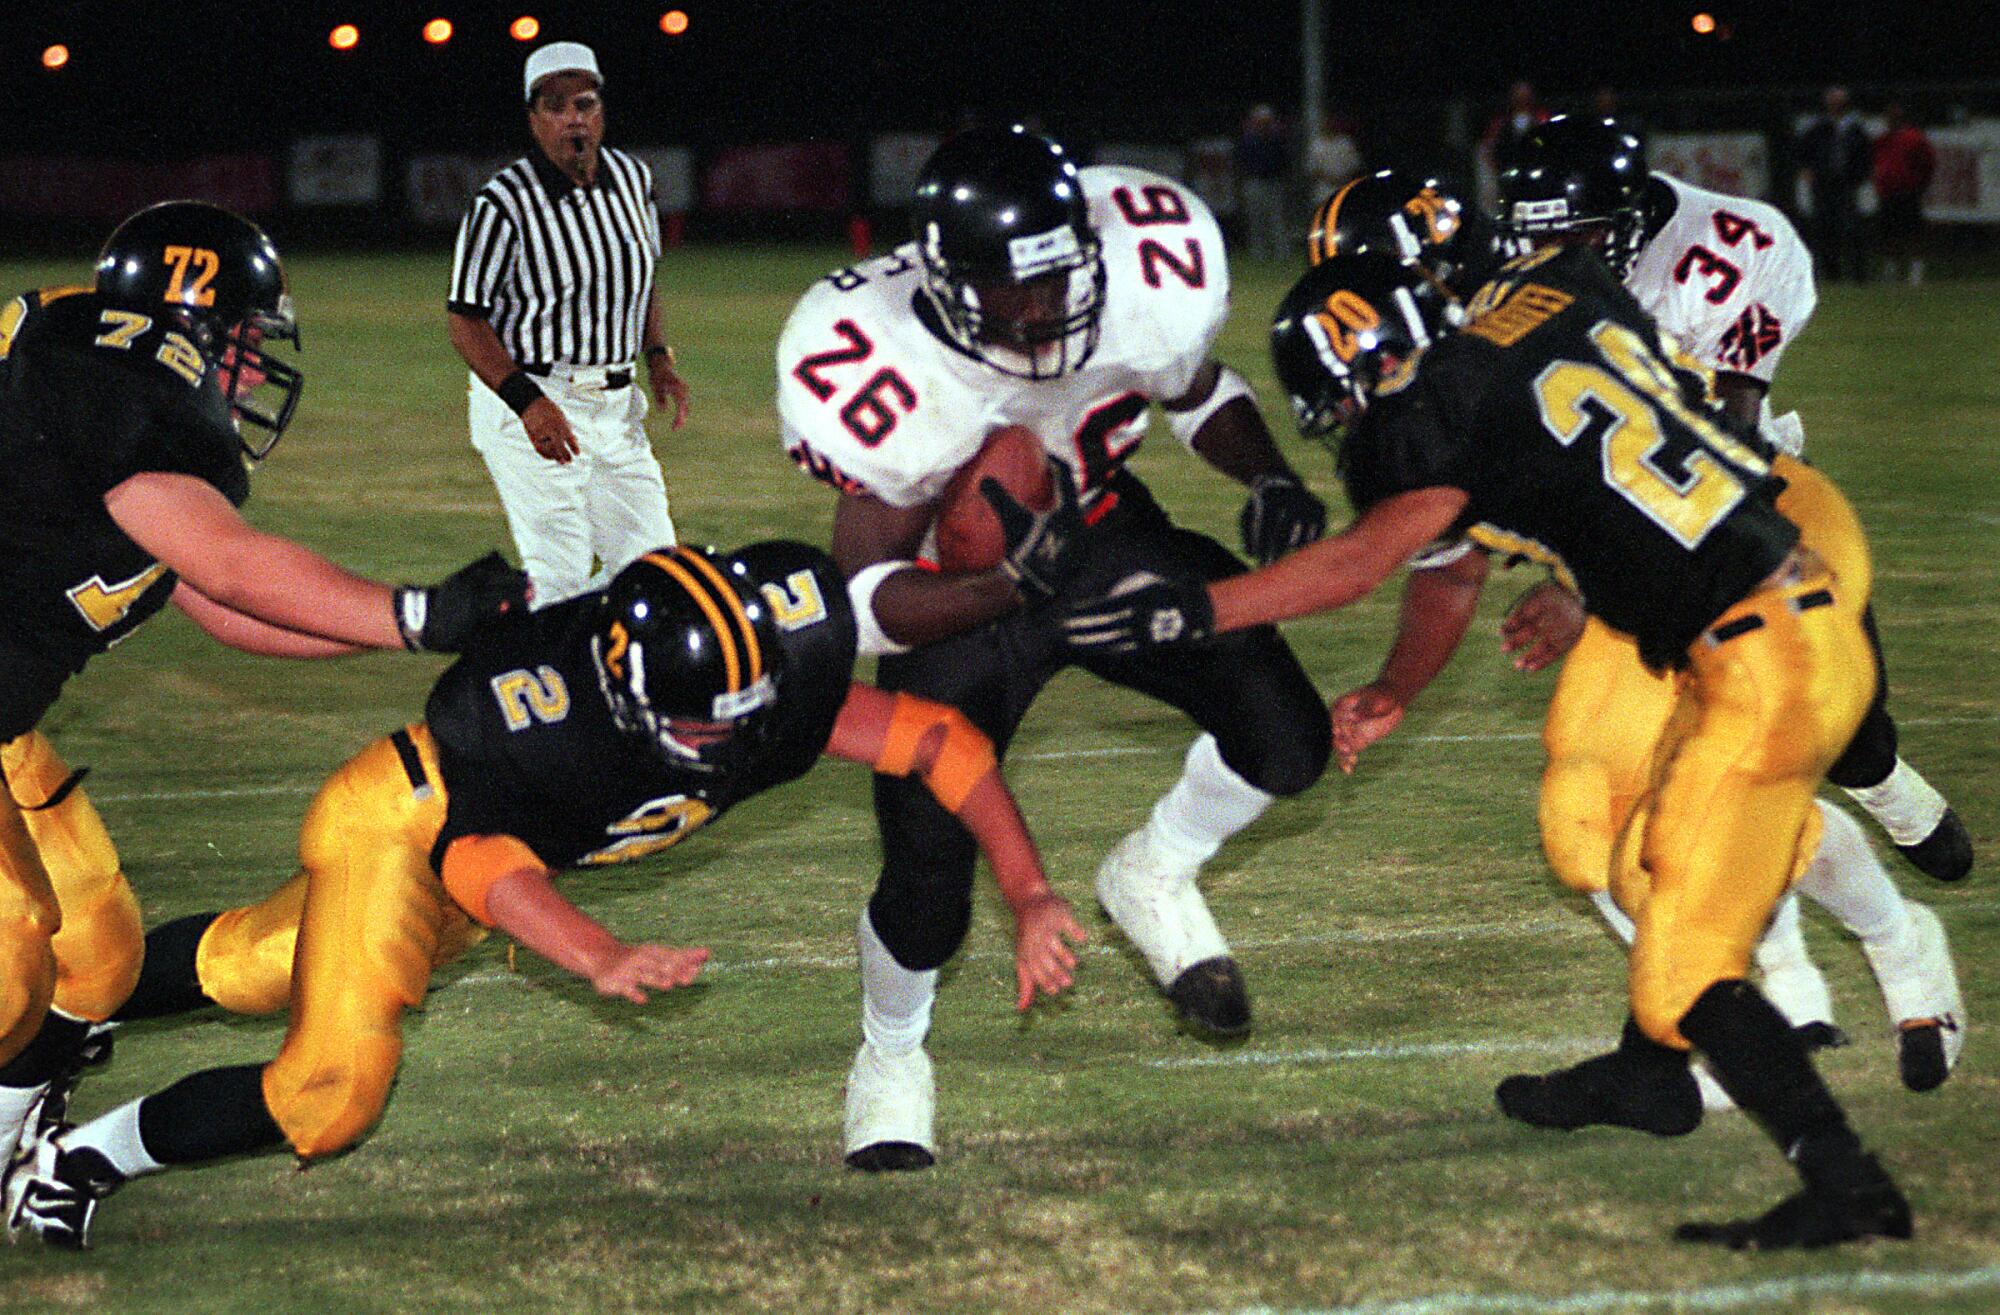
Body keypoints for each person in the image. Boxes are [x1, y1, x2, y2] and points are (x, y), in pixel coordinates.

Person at [1066, 246, 1914, 1248]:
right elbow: (1453, 573)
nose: (1347, 426)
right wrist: (1393, 687)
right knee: (1647, 856)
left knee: (1687, 947)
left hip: (1759, 661)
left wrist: (1186, 611)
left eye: (1339, 406)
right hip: (1790, 608)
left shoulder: (1424, 425)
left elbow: (1354, 562)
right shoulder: (1548, 304)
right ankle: (1645, 1073)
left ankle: (1843, 1179)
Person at [4, 541, 1086, 1248]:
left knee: (247, 967)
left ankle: (39, 1030)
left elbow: (936, 740)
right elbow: (477, 862)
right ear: (624, 691)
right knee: (328, 1092)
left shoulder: (756, 687)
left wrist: (1029, 891)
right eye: (701, 721)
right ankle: (74, 1160)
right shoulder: (540, 712)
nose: (732, 737)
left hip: (488, 853)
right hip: (412, 820)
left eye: (743, 706)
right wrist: (592, 953)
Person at [775, 126, 1330, 1171]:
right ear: (945, 284)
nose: (1040, 313)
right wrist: (1000, 582)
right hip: (956, 592)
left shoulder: (1133, 275)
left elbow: (1193, 388)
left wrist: (1266, 475)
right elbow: (859, 601)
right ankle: (890, 1055)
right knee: (928, 876)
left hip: (1101, 532)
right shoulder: (882, 359)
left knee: (1285, 736)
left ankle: (1153, 875)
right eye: (1009, 291)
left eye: (1055, 279)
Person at [0, 201, 529, 1197]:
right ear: (185, 317)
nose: (249, 368)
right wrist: (420, 612)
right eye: (242, 338)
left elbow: (218, 604)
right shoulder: (117, 370)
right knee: (9, 962)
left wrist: (417, 629)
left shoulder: (96, 389)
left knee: (99, 955)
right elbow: (234, 567)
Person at [448, 40, 692, 607]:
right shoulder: (502, 204)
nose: (571, 119)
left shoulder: (634, 180)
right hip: (534, 396)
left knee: (656, 571)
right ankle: (537, 687)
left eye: (582, 103)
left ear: (601, 111)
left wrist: (658, 358)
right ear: (533, 120)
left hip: (614, 402)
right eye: (554, 107)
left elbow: (642, 276)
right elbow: (465, 319)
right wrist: (528, 402)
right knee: (560, 578)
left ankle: (623, 684)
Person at [1795, 86, 1873, 283]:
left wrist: (1860, 177)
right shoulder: (1818, 128)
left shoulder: (1855, 129)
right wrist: (1808, 170)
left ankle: (1858, 274)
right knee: (1825, 230)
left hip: (1848, 185)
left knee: (1852, 229)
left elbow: (1865, 156)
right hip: (1823, 185)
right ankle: (1832, 275)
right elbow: (1803, 154)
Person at [1872, 104, 1937, 285]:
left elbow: (1928, 163)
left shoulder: (1914, 139)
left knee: (1912, 232)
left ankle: (1916, 270)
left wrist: (1919, 185)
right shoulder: (1882, 140)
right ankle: (1891, 269)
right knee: (1889, 233)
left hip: (1908, 192)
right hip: (1888, 193)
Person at [1236, 104, 1292, 260]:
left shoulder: (1276, 140)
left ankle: (1281, 253)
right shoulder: (1249, 140)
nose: (1263, 124)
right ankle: (1258, 254)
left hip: (1273, 182)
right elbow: (1242, 161)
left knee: (1277, 220)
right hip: (1254, 182)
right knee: (1256, 220)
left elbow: (1283, 161)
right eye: (1261, 121)